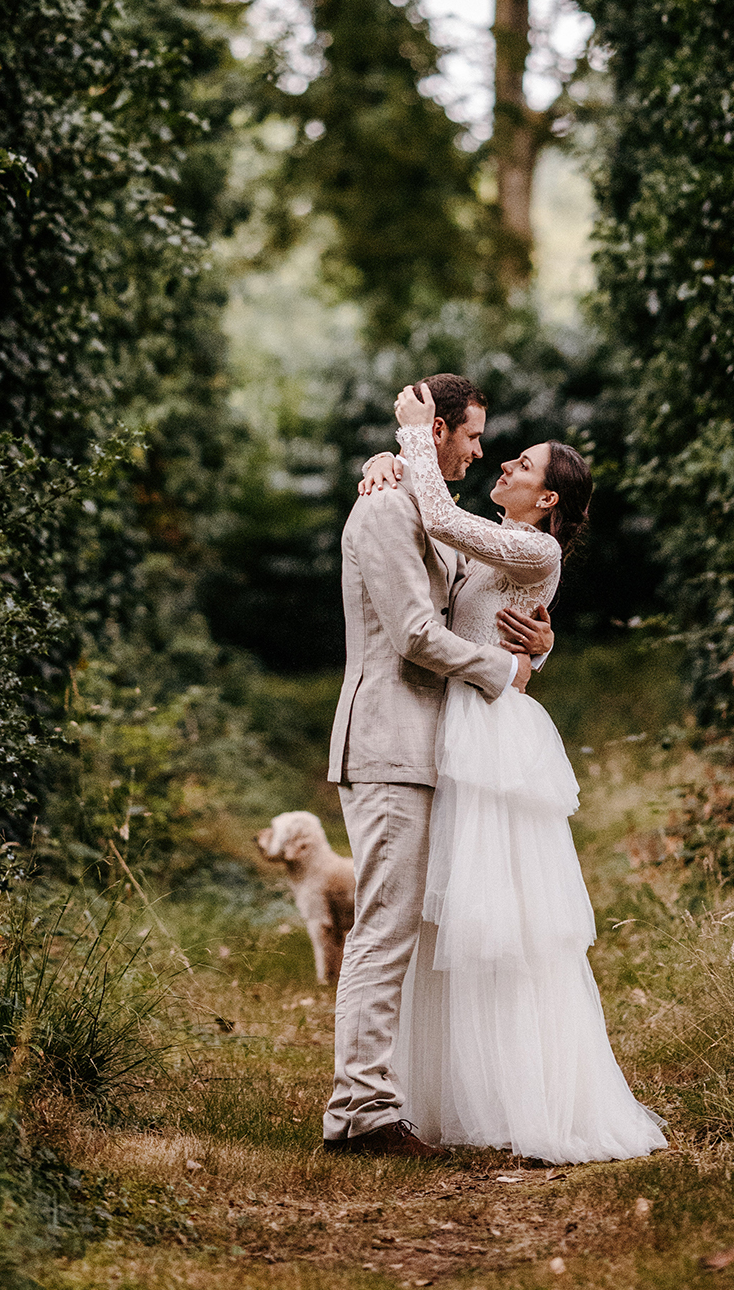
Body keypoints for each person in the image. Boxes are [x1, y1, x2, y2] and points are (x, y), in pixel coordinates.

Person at [357, 382, 667, 1165]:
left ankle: (530, 1093)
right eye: (500, 450)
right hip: (456, 725)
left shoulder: (535, 546)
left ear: (547, 496)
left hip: (488, 732)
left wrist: (410, 438)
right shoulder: (499, 537)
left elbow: (441, 520)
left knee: (502, 923)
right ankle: (452, 1090)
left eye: (521, 463)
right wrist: (381, 463)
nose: (501, 463)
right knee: (452, 921)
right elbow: (437, 549)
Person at [322, 372, 554, 1159]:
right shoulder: (388, 508)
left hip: (429, 747)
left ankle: (383, 1100)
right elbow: (417, 634)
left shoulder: (422, 507)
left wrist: (533, 650)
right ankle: (358, 1112)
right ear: (439, 432)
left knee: (403, 926)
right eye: (474, 436)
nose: (482, 452)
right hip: (388, 741)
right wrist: (504, 675)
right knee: (384, 928)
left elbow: (479, 607)